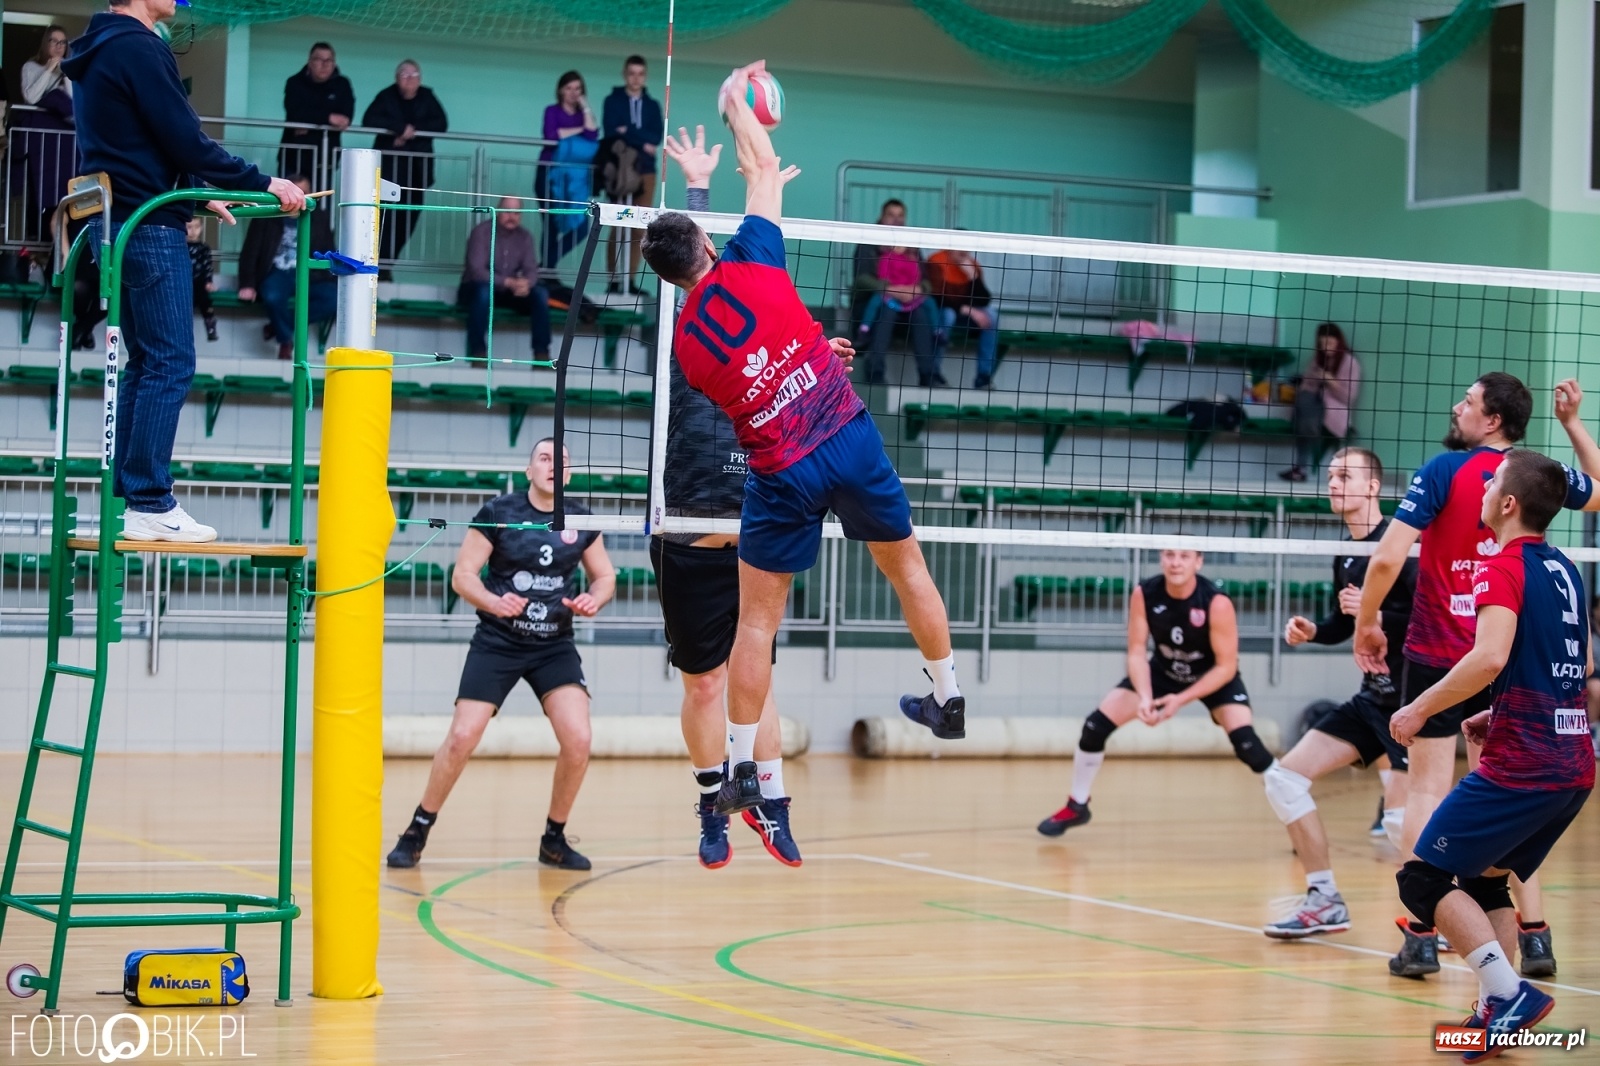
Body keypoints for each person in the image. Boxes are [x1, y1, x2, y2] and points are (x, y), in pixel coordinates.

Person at [643, 61, 967, 816]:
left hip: (783, 466)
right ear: (709, 243)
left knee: (756, 623)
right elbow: (760, 168)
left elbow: (746, 374)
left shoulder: (689, 343)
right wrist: (735, 98)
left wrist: (797, 356)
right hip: (844, 433)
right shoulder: (756, 257)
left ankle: (737, 772)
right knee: (908, 567)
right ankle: (947, 696)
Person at [1354, 373, 1600, 977]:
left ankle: (1421, 932)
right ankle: (1529, 942)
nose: (1456, 406)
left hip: (1450, 650)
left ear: (1491, 420)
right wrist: (1572, 424)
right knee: (1504, 843)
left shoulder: (1451, 473)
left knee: (1431, 797)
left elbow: (1388, 556)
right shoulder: (1545, 495)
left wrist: (1366, 622)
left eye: (1467, 400)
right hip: (1548, 709)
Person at [65, 0, 306, 542]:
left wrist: (194, 196)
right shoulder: (138, 45)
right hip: (146, 225)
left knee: (147, 362)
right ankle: (150, 499)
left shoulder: (103, 45)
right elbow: (182, 134)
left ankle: (134, 498)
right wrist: (256, 182)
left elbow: (144, 141)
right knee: (170, 362)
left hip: (121, 219)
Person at [1389, 449, 1593, 1058]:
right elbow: (1569, 666)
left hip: (1524, 766)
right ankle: (1492, 1011)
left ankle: (1509, 995)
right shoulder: (1564, 569)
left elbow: (1488, 658)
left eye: (1491, 484)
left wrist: (1419, 708)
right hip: (1572, 761)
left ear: (1507, 504)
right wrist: (1498, 710)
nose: (1480, 491)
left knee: (1421, 880)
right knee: (1484, 882)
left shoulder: (1501, 566)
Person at [649, 125, 799, 869]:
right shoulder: (691, 332)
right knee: (706, 685)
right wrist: (703, 186)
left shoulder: (761, 323)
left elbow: (714, 261)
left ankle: (769, 802)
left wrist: (822, 354)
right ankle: (714, 804)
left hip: (757, 516)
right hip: (689, 521)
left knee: (755, 673)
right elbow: (691, 262)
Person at [387, 438, 616, 872]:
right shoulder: (500, 512)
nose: (553, 467)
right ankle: (416, 830)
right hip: (498, 641)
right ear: (529, 470)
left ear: (569, 474)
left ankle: (554, 839)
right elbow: (463, 576)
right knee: (461, 738)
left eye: (561, 462)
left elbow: (605, 576)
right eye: (545, 459)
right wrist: (494, 603)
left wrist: (594, 598)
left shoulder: (582, 517)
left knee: (579, 739)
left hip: (554, 644)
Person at [1261, 447, 1416, 938]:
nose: (1333, 483)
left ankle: (1458, 914)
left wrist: (1373, 615)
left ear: (1373, 486)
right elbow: (1342, 623)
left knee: (1400, 826)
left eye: (1345, 475)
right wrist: (1316, 631)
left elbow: (1430, 623)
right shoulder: (1347, 552)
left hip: (1414, 703)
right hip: (1372, 699)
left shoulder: (1401, 545)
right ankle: (1324, 898)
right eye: (1330, 475)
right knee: (1283, 780)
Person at [1037, 549, 1272, 835]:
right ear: (1161, 559)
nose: (1175, 562)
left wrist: (1181, 701)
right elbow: (1136, 652)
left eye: (1184, 556)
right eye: (1169, 555)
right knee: (1094, 726)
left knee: (1249, 746)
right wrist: (1146, 697)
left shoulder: (1216, 602)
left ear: (1198, 562)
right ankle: (1077, 805)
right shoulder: (1145, 593)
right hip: (1164, 672)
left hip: (1212, 676)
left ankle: (1294, 813)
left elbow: (1226, 667)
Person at [236, 175, 335, 360]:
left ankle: (279, 327)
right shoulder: (268, 214)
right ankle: (285, 339)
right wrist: (247, 283)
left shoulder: (319, 218)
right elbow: (250, 250)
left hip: (310, 274)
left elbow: (328, 249)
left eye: (305, 192)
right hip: (277, 272)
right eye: (297, 192)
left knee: (333, 299)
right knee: (272, 295)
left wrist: (332, 277)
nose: (301, 196)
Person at [362, 59, 447, 268]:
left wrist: (412, 131)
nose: (409, 80)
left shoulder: (427, 96)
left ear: (420, 79)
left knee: (409, 217)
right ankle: (378, 261)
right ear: (396, 78)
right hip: (389, 170)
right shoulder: (386, 96)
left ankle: (389, 262)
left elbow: (441, 123)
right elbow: (369, 119)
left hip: (416, 170)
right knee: (384, 217)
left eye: (414, 75)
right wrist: (398, 128)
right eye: (405, 75)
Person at [850, 199, 942, 386]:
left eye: (900, 216)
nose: (896, 220)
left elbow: (925, 279)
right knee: (887, 311)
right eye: (891, 215)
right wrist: (890, 289)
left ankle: (927, 375)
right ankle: (875, 372)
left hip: (909, 302)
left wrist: (917, 290)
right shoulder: (867, 243)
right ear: (882, 218)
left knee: (921, 314)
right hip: (874, 302)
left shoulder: (911, 245)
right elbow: (861, 279)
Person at [458, 197, 549, 363]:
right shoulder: (482, 232)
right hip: (475, 289)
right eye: (507, 211)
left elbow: (531, 270)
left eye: (517, 212)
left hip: (507, 292)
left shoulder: (525, 236)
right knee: (483, 292)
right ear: (498, 211)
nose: (512, 216)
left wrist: (526, 283)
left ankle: (541, 353)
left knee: (540, 293)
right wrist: (508, 282)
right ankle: (478, 352)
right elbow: (477, 271)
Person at [600, 55, 663, 294]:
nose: (636, 78)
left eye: (640, 73)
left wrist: (628, 132)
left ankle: (631, 280)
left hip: (645, 169)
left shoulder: (652, 105)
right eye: (632, 73)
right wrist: (640, 139)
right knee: (618, 223)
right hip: (619, 170)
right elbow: (611, 132)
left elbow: (655, 138)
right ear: (625, 74)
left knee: (640, 226)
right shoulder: (612, 101)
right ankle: (614, 280)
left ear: (644, 76)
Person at [14, 24, 77, 240]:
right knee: (42, 183)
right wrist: (50, 69)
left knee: (66, 183)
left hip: (66, 138)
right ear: (46, 43)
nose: (59, 46)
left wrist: (66, 73)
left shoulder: (70, 69)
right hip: (43, 138)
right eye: (54, 41)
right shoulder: (31, 67)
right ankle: (39, 233)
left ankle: (64, 232)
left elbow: (73, 104)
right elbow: (32, 97)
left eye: (63, 42)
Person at [1280, 323, 1360, 482]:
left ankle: (1301, 468)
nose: (1326, 348)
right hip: (1312, 407)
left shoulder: (1349, 363)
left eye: (1329, 343)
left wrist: (1331, 381)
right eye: (1322, 344)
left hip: (1333, 411)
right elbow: (1306, 384)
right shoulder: (1317, 360)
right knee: (1303, 408)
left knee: (1304, 420)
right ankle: (1300, 468)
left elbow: (1348, 397)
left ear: (1338, 341)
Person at [537, 70, 598, 270]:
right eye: (569, 88)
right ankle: (547, 270)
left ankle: (546, 265)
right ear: (561, 90)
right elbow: (552, 136)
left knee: (581, 227)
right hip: (548, 174)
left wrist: (586, 106)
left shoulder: (583, 115)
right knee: (551, 224)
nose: (573, 93)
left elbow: (593, 134)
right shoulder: (552, 111)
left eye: (578, 89)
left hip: (576, 181)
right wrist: (580, 130)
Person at [279, 42, 352, 191]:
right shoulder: (295, 83)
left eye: (329, 60)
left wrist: (310, 121)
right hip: (294, 156)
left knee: (319, 208)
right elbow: (295, 114)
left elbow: (345, 118)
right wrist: (328, 119)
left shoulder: (342, 85)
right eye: (319, 59)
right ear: (310, 61)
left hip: (325, 159)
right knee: (288, 205)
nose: (324, 65)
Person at [927, 247, 999, 389]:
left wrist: (973, 276)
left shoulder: (972, 265)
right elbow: (935, 297)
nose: (963, 251)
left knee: (992, 316)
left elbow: (984, 300)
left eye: (966, 247)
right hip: (941, 310)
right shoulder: (936, 262)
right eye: (958, 246)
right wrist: (966, 309)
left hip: (965, 314)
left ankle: (983, 376)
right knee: (948, 315)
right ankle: (933, 373)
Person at [185, 216, 217, 343]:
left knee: (206, 302)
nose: (193, 231)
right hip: (185, 282)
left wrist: (209, 281)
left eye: (197, 227)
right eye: (189, 227)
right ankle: (185, 330)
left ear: (201, 227)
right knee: (186, 306)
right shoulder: (181, 247)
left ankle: (211, 328)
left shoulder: (204, 248)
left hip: (199, 283)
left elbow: (208, 266)